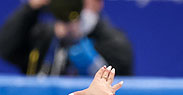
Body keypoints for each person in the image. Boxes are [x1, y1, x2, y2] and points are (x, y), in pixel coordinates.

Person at [0, 0, 133, 76]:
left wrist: (90, 61)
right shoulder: (44, 35)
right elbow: (6, 49)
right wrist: (30, 9)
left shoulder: (115, 43)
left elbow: (123, 94)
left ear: (98, 3)